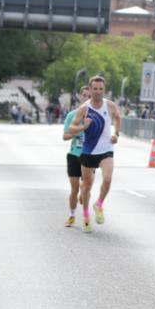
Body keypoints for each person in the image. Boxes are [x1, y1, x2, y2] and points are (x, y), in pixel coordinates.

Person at [67, 75, 122, 233]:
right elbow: (71, 128)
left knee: (107, 178)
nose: (98, 92)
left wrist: (116, 134)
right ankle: (85, 216)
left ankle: (98, 204)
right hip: (88, 151)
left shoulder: (110, 106)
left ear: (104, 90)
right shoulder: (84, 108)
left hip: (106, 149)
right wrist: (83, 127)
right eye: (95, 89)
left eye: (101, 89)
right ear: (90, 90)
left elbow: (118, 118)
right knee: (87, 186)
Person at [62, 86, 92, 227]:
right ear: (80, 97)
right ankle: (72, 215)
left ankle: (86, 217)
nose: (86, 98)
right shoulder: (72, 115)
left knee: (86, 188)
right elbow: (65, 136)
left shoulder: (95, 117)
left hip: (90, 156)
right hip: (74, 155)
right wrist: (78, 131)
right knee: (74, 188)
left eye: (89, 96)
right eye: (84, 95)